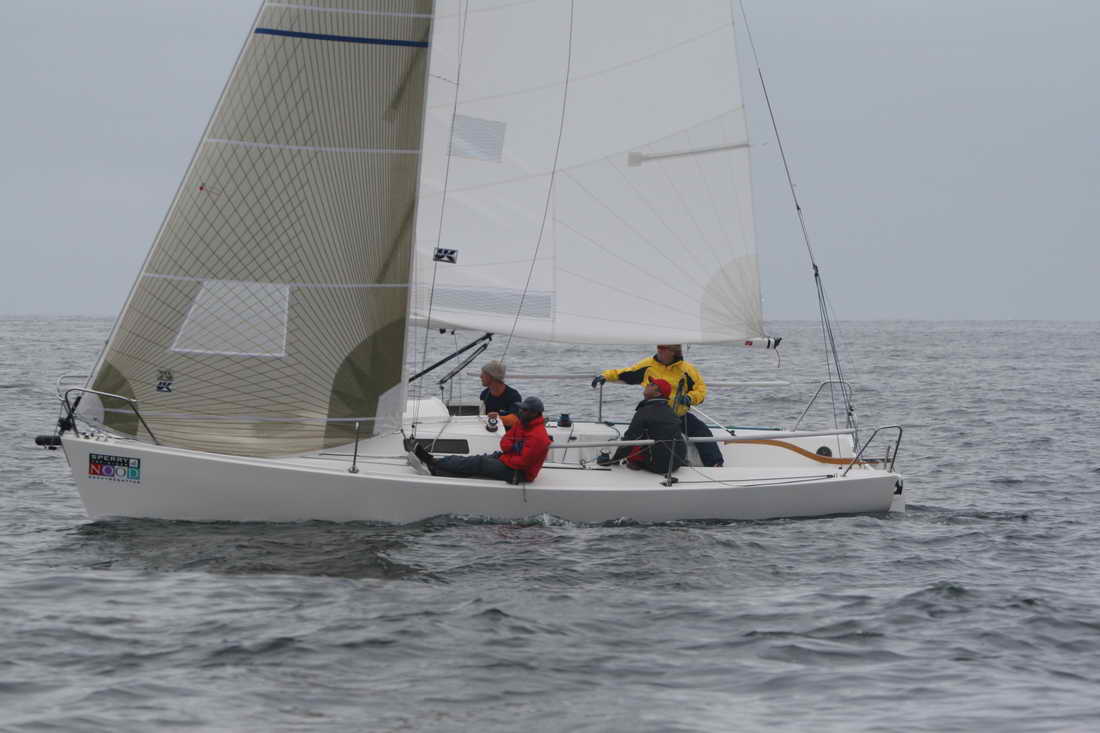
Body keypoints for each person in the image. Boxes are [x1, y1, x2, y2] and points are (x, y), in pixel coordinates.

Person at [591, 344, 724, 467]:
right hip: (653, 415)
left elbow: (701, 389)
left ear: (673, 352)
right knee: (638, 435)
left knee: (702, 431)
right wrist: (605, 376)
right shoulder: (648, 365)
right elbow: (627, 373)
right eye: (658, 347)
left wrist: (690, 398)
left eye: (663, 348)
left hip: (678, 415)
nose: (659, 350)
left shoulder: (687, 370)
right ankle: (635, 460)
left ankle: (715, 464)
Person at [409, 396, 552, 483]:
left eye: (524, 410)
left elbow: (523, 463)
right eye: (521, 408)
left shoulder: (538, 436)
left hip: (519, 473)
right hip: (508, 460)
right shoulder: (522, 424)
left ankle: (432, 462)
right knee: (474, 460)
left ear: (534, 413)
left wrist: (507, 455)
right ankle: (435, 465)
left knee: (480, 463)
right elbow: (504, 443)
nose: (520, 411)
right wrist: (511, 449)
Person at [600, 379, 686, 474]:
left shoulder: (645, 411)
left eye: (652, 384)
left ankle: (636, 463)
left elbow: (630, 439)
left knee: (634, 448)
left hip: (659, 466)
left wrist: (613, 460)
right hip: (678, 461)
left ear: (657, 394)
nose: (648, 384)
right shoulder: (670, 411)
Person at [479, 360, 523, 429]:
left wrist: (498, 418)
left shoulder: (513, 395)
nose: (480, 376)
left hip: (509, 433)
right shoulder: (484, 394)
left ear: (492, 376)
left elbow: (514, 419)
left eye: (483, 374)